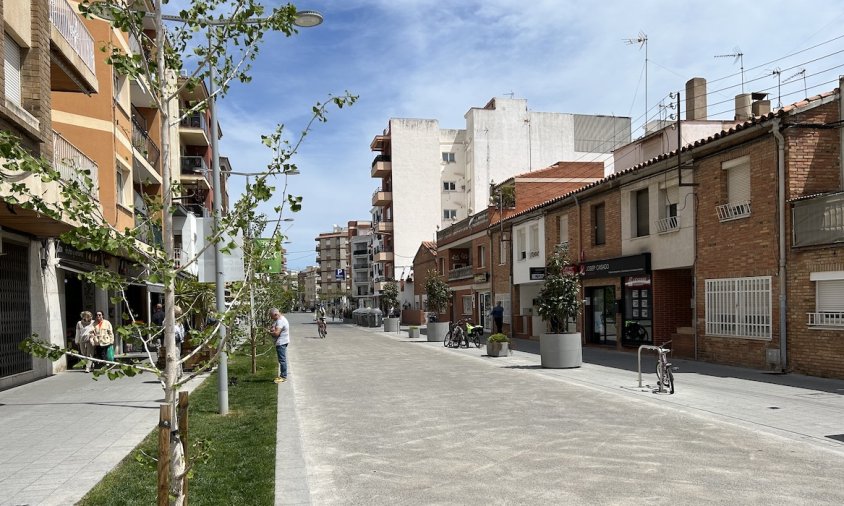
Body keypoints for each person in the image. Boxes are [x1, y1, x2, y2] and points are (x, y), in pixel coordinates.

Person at [268, 308, 290, 384]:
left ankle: (283, 376)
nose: (271, 318)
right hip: (283, 341)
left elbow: (276, 333)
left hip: (281, 342)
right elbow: (273, 328)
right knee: (282, 359)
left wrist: (269, 332)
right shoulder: (280, 319)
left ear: (275, 314)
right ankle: (282, 375)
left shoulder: (280, 321)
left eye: (272, 316)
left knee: (282, 360)